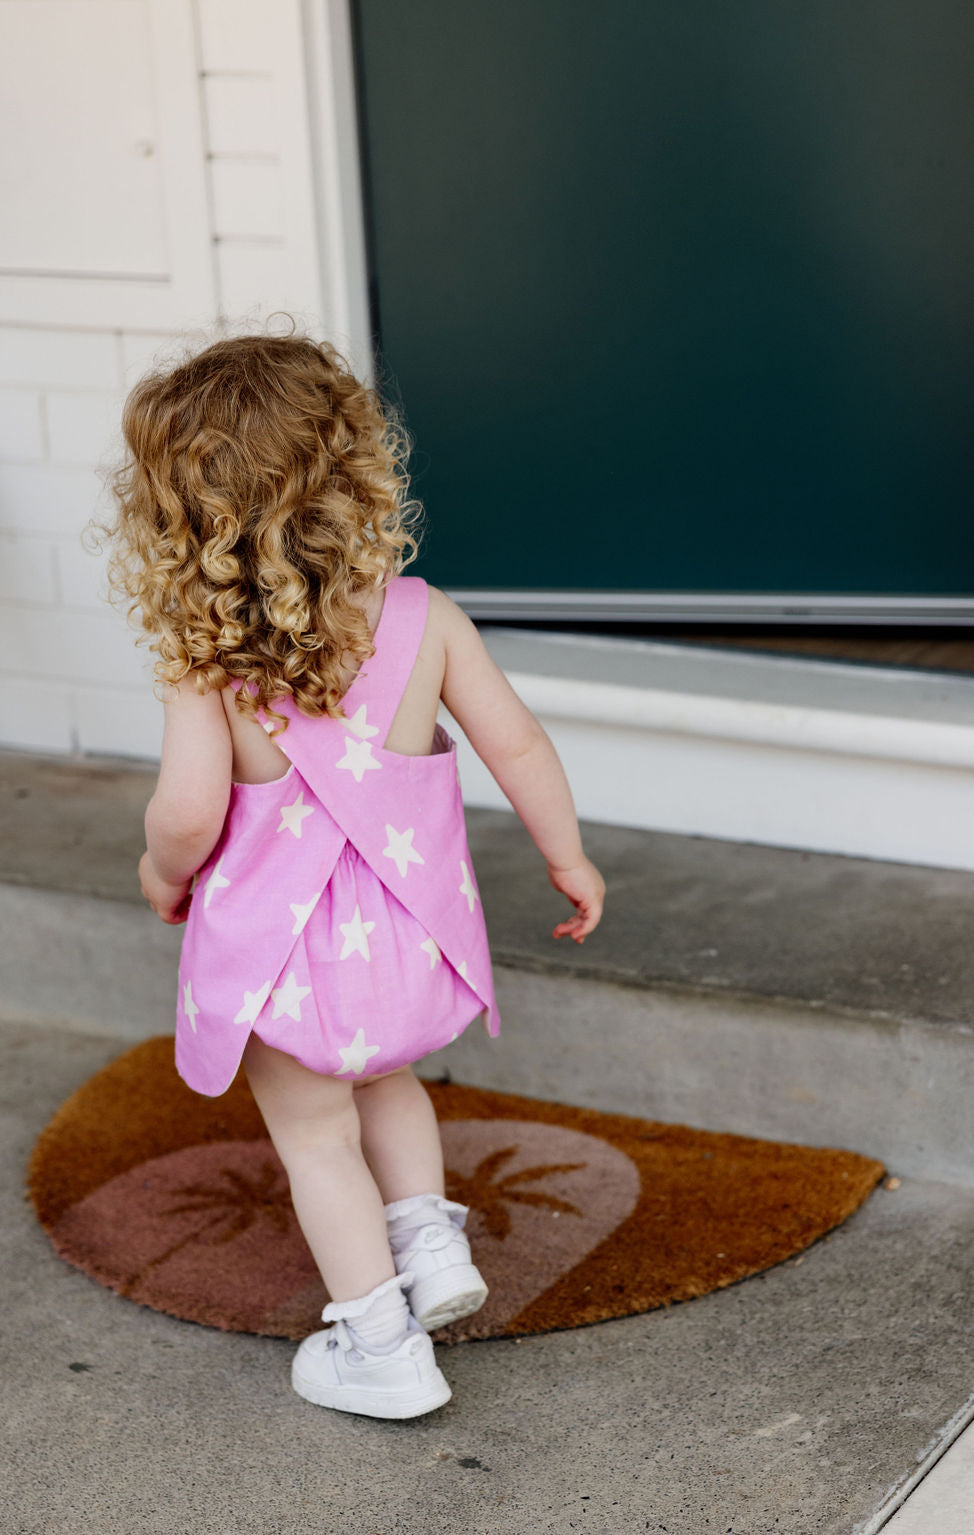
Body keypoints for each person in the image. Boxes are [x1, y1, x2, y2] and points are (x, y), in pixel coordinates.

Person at [103, 332, 605, 1420]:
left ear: (178, 521)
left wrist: (158, 867)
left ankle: (380, 1342)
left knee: (317, 1135)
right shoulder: (426, 619)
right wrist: (565, 854)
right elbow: (516, 742)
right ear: (353, 474)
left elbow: (189, 812)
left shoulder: (209, 668)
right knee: (388, 1078)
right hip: (408, 942)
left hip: (288, 969)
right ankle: (427, 1236)